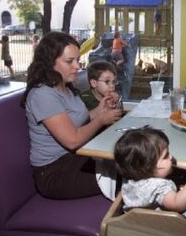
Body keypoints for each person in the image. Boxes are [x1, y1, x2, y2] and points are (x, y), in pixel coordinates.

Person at [23, 31, 123, 200]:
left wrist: (100, 109)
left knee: (130, 159)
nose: (77, 66)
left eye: (77, 60)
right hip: (54, 173)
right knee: (130, 172)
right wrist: (101, 120)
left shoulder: (65, 87)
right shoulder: (43, 94)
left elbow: (75, 122)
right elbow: (72, 140)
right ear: (49, 63)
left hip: (74, 158)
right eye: (70, 61)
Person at [114, 128, 186, 222]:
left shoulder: (130, 180)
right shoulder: (159, 187)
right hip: (161, 228)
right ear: (147, 168)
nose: (171, 156)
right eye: (165, 156)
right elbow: (177, 204)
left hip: (135, 223)